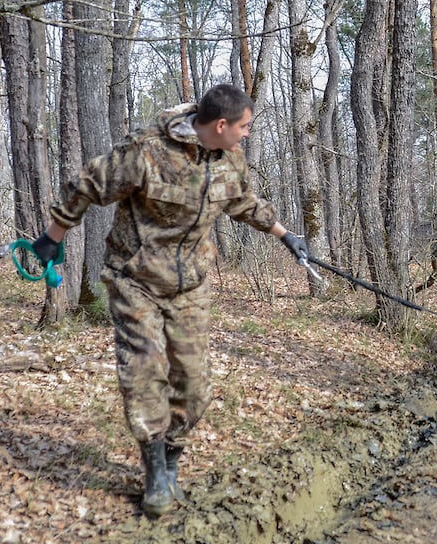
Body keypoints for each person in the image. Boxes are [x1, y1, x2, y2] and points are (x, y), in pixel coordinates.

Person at [27, 84, 308, 517]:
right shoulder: (146, 152)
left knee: (194, 387)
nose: (247, 134)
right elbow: (86, 185)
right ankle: (155, 468)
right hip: (135, 279)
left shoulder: (229, 157)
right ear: (221, 125)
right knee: (144, 373)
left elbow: (243, 202)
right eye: (245, 127)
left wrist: (287, 237)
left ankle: (173, 456)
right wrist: (52, 238)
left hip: (190, 284)